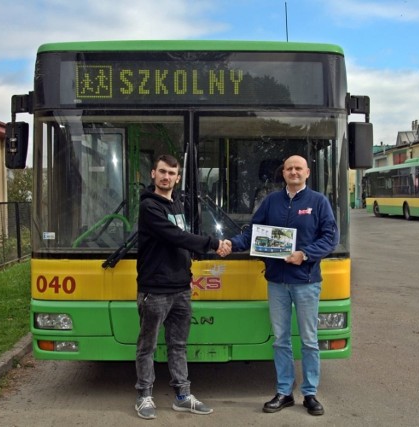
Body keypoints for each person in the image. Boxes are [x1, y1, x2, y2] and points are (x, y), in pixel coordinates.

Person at [224, 155, 339, 416]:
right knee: (281, 340)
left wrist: (305, 254)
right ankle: (284, 391)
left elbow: (330, 238)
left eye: (298, 168)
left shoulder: (319, 202)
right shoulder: (271, 201)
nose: (294, 172)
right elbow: (254, 232)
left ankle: (310, 393)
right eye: (289, 168)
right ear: (283, 173)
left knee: (309, 340)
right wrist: (231, 243)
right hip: (276, 282)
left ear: (307, 172)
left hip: (306, 283)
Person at [135, 154, 230, 420]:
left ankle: (182, 396)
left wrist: (195, 254)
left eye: (172, 173)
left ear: (178, 178)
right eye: (162, 172)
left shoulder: (176, 205)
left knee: (178, 345)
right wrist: (212, 243)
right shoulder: (149, 207)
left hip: (181, 289)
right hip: (154, 290)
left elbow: (180, 241)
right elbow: (173, 235)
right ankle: (144, 396)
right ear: (153, 174)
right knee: (147, 347)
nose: (167, 177)